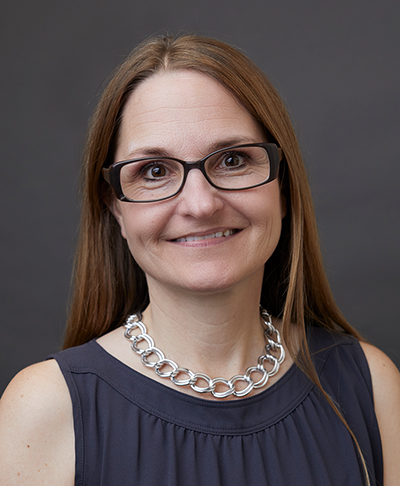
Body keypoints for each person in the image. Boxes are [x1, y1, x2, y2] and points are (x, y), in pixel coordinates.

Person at [0, 34, 399, 486]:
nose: (201, 204)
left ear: (283, 189)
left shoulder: (371, 386)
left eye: (232, 160)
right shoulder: (45, 410)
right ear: (116, 207)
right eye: (154, 171)